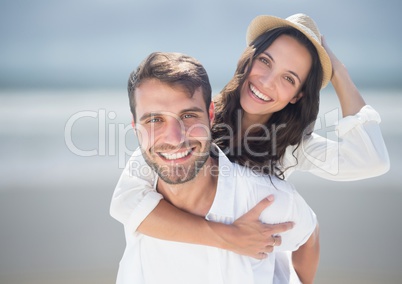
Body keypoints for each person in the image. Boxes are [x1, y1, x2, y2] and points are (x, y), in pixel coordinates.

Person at [111, 12, 389, 267]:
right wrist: (226, 236)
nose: (267, 81)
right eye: (265, 61)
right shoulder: (195, 120)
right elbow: (127, 202)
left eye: (289, 79)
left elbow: (370, 161)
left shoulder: (292, 146)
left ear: (297, 96)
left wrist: (338, 72)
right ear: (249, 57)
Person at [116, 51, 319, 284]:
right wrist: (229, 236)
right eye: (154, 120)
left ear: (211, 115)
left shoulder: (263, 198)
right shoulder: (138, 189)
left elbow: (309, 234)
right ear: (135, 127)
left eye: (189, 115)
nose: (174, 138)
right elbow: (123, 204)